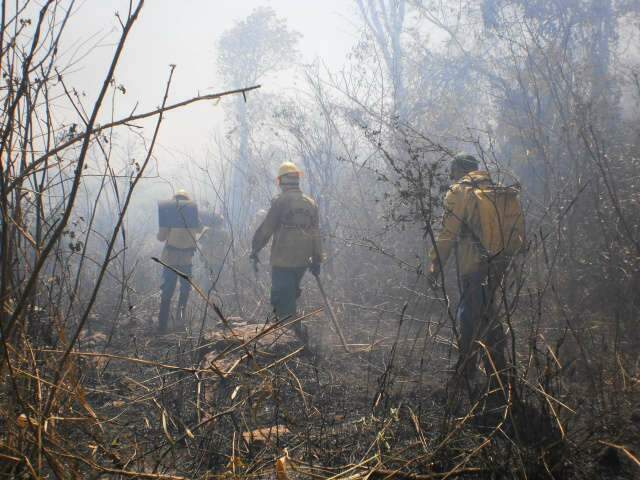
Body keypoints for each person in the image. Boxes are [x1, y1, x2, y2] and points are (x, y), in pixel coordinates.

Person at [427, 153, 525, 394]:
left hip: (474, 266)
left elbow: (447, 234)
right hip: (499, 263)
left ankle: (496, 377)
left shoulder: (460, 192)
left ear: (458, 170)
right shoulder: (498, 191)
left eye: (452, 173)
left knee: (477, 316)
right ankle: (471, 371)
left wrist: (434, 265)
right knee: (477, 313)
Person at [250, 162, 323, 335]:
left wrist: (255, 249)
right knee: (289, 298)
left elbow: (266, 229)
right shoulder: (310, 203)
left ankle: (291, 338)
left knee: (281, 301)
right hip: (302, 262)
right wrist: (317, 259)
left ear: (281, 181)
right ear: (298, 180)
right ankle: (295, 334)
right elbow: (316, 233)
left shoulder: (281, 202)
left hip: (283, 260)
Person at [157, 189, 202, 333]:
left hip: (169, 259)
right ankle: (179, 323)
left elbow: (161, 237)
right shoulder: (193, 215)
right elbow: (200, 229)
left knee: (167, 292)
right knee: (185, 291)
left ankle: (162, 326)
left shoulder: (170, 214)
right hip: (186, 260)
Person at [197, 211, 230, 292]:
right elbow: (228, 245)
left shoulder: (207, 231)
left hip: (209, 262)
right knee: (217, 285)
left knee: (206, 286)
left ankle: (206, 301)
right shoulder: (224, 234)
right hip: (220, 262)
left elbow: (200, 242)